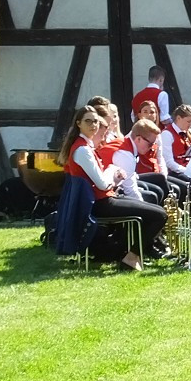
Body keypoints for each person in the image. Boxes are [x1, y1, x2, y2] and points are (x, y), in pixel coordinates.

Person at [57, 106, 166, 271]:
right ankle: (132, 257)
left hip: (104, 198)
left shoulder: (85, 146)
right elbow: (102, 184)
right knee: (159, 215)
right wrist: (113, 170)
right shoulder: (82, 150)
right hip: (100, 203)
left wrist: (112, 174)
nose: (93, 125)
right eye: (88, 121)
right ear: (78, 123)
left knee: (155, 209)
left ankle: (127, 253)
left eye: (95, 121)